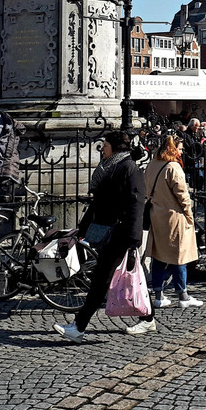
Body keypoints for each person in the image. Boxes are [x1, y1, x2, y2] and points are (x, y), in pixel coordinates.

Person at [54, 131, 154, 341]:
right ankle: (148, 319)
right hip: (109, 230)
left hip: (121, 233)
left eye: (105, 145)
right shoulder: (111, 167)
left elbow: (136, 204)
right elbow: (98, 203)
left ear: (116, 147)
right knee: (131, 277)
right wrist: (82, 230)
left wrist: (133, 239)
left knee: (101, 279)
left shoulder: (129, 168)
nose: (102, 149)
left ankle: (79, 328)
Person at [144, 136, 202, 309]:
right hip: (174, 217)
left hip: (157, 215)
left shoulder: (153, 164)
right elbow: (183, 196)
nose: (182, 151)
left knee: (159, 256)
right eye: (180, 148)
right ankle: (182, 294)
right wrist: (189, 215)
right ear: (172, 149)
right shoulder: (173, 167)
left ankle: (158, 295)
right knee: (179, 256)